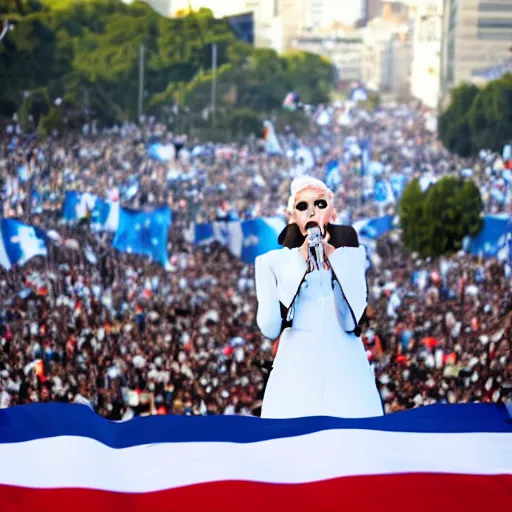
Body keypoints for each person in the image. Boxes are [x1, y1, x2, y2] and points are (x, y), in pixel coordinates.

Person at [255, 176, 384, 419]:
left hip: (347, 372)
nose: (312, 211)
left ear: (333, 213)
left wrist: (335, 260)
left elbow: (350, 321)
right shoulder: (269, 263)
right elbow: (270, 327)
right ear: (291, 215)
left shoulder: (352, 256)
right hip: (295, 373)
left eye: (320, 204)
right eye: (302, 206)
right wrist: (299, 262)